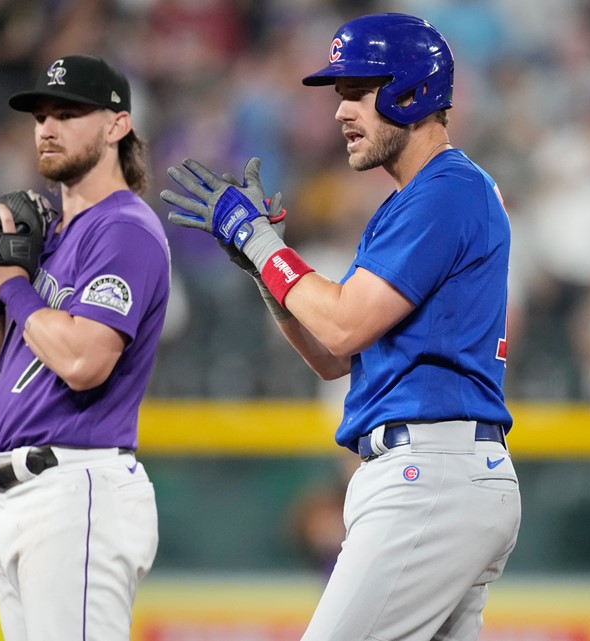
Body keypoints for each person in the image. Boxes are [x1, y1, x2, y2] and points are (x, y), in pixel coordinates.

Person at [161, 13, 520, 641]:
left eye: (357, 90)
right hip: (443, 475)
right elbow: (331, 353)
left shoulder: (446, 191)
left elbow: (344, 324)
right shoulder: (418, 200)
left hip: (428, 477)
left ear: (411, 92)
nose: (340, 111)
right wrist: (259, 263)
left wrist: (257, 239)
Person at [0, 54, 168, 641]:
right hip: (23, 502)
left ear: (116, 125)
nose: (47, 128)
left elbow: (83, 361)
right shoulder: (50, 235)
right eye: (41, 115)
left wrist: (17, 288)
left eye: (69, 113)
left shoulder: (124, 228)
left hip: (77, 489)